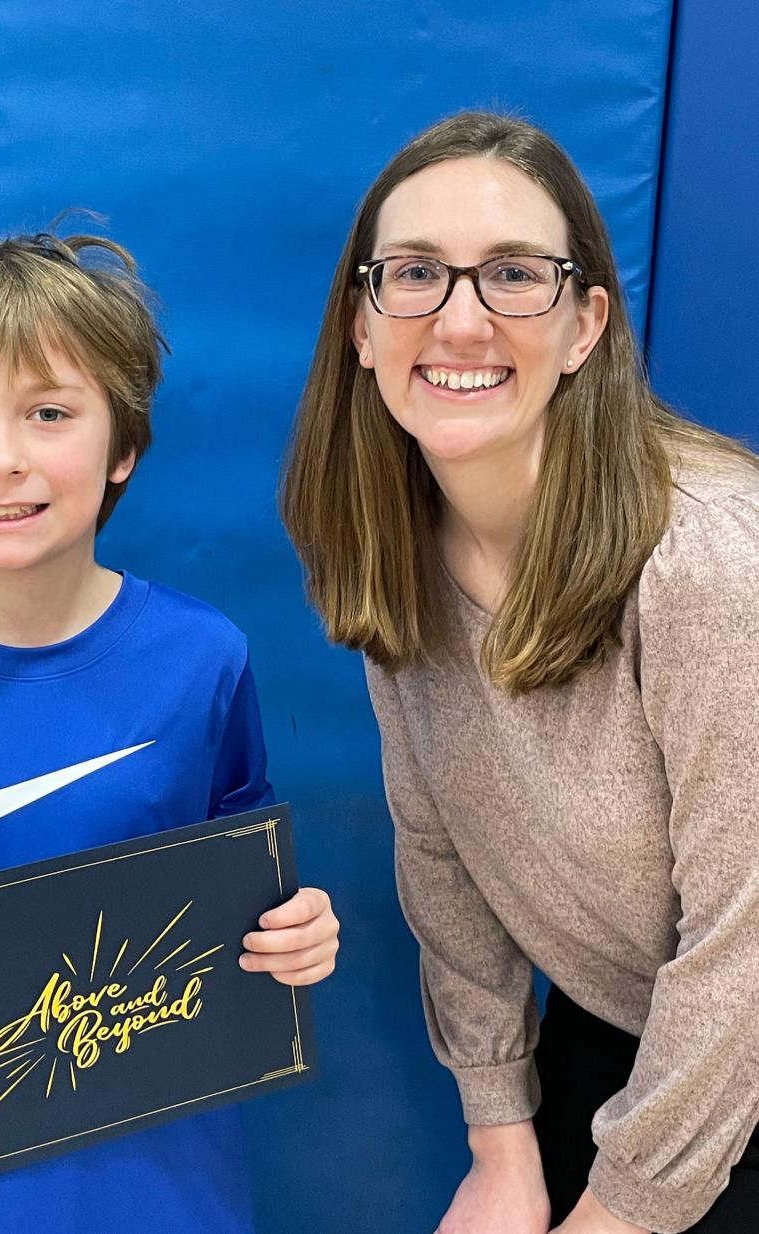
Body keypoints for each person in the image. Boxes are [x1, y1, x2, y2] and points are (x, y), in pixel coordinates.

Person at [0, 231, 340, 1233]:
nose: (2, 457)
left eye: (49, 412)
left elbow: (243, 860)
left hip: (172, 1185)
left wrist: (295, 930)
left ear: (123, 444)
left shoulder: (202, 655)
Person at [282, 111, 759, 1234]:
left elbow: (748, 935)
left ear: (586, 323)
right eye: (414, 275)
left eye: (513, 275)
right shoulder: (389, 549)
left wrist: (617, 1212)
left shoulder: (709, 565)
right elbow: (442, 853)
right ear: (361, 324)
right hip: (632, 1026)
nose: (460, 319)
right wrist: (503, 1147)